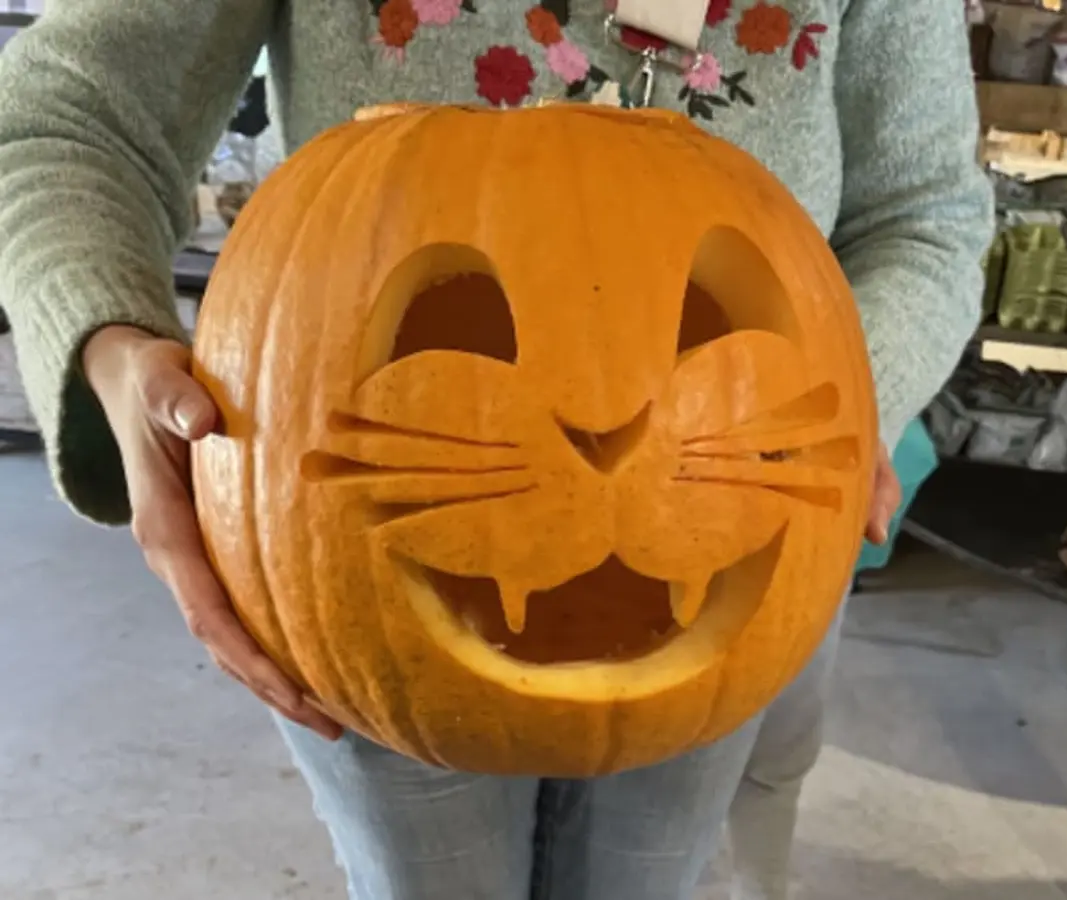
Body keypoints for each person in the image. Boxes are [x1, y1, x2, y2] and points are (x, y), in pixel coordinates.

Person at [0, 1, 991, 897]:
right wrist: (110, 344)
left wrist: (847, 390)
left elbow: (925, 218)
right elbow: (62, 117)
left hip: (730, 517)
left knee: (648, 884)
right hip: (373, 558)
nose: (598, 424)